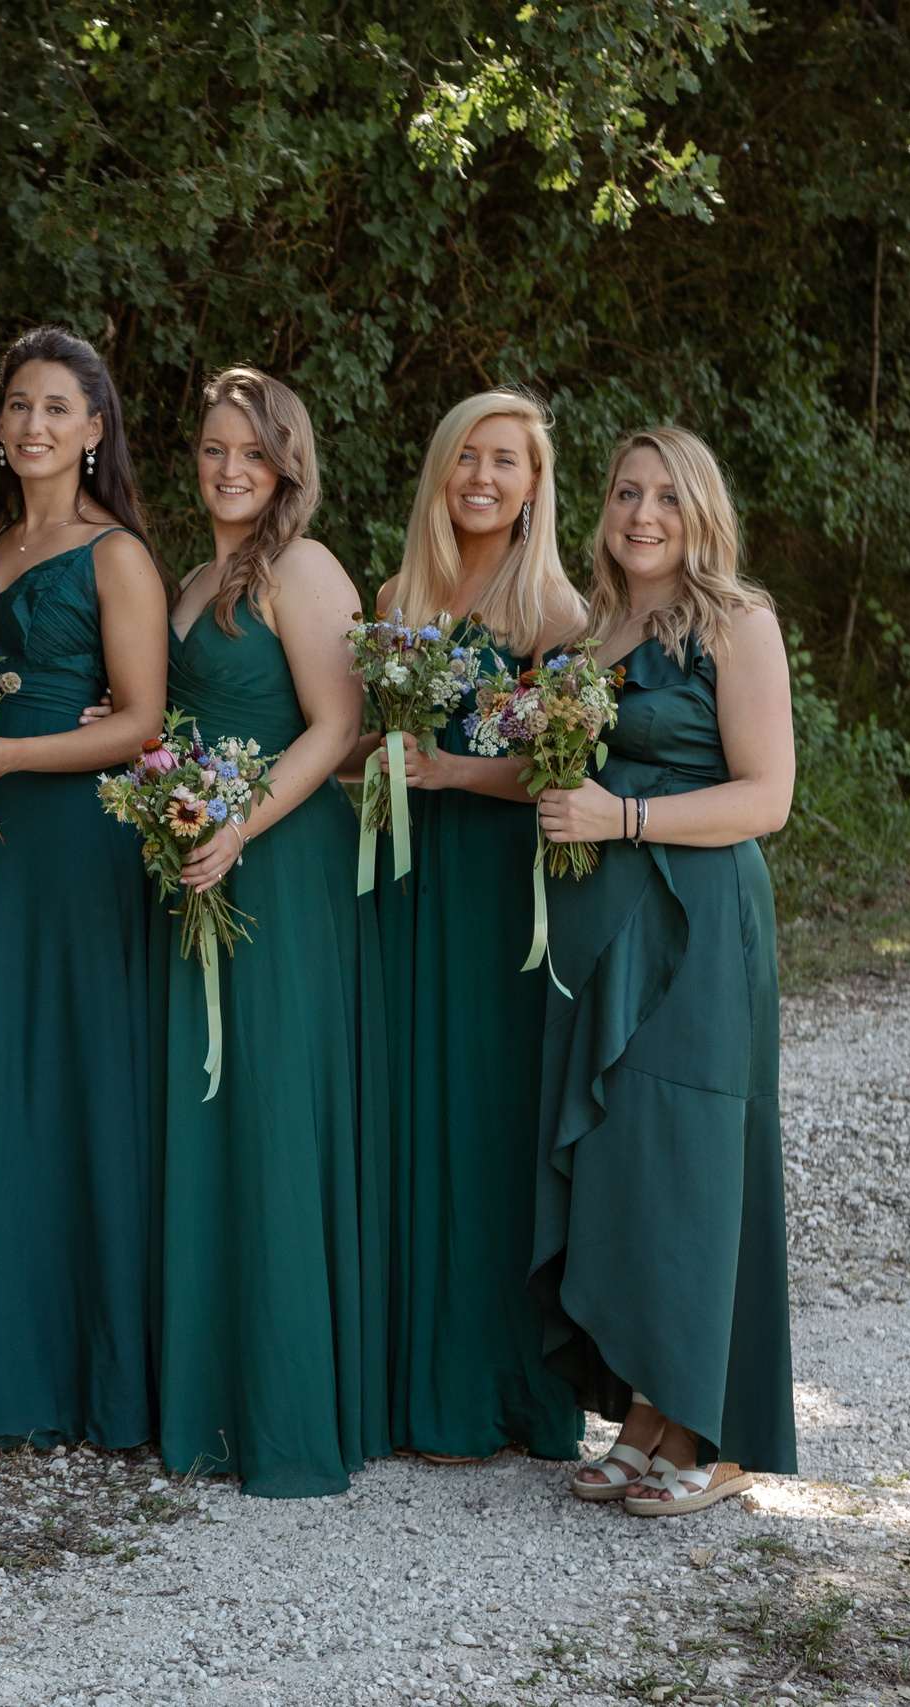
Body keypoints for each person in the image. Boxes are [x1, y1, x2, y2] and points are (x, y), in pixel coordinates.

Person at [533, 426, 796, 1514]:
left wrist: (625, 814)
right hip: (605, 940)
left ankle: (707, 1429)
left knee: (690, 1162)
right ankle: (645, 1409)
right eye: (625, 494)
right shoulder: (591, 634)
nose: (642, 515)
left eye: (666, 499)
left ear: (700, 515)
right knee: (630, 1165)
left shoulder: (738, 626)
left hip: (698, 928)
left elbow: (764, 798)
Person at [0, 326, 168, 1449]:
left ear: (93, 432)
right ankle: (6, 1374)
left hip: (76, 842)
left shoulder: (113, 553)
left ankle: (93, 1379)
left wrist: (14, 755)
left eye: (56, 410)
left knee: (74, 1085)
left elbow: (140, 720)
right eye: (17, 405)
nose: (32, 426)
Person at [152, 368, 376, 1496]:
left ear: (287, 462)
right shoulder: (194, 576)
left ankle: (287, 1415)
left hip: (280, 863)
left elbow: (338, 726)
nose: (229, 469)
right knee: (210, 1108)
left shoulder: (304, 568)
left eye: (251, 452)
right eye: (210, 450)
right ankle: (211, 1403)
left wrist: (236, 826)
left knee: (273, 1112)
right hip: (202, 853)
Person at [363, 389, 587, 1465]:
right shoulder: (395, 593)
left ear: (534, 484)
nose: (482, 479)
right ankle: (415, 1388)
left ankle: (500, 1392)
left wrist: (450, 770)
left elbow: (567, 770)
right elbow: (357, 730)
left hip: (499, 892)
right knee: (409, 1115)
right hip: (405, 886)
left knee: (487, 1122)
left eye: (505, 462)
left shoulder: (556, 615)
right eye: (466, 458)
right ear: (440, 473)